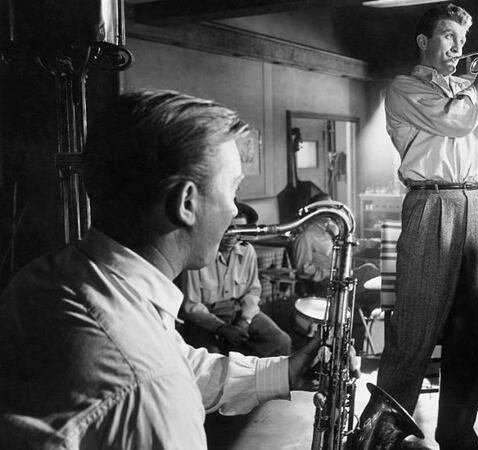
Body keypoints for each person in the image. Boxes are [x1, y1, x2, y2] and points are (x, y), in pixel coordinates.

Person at [0, 90, 319, 449]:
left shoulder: (52, 276)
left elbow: (179, 362)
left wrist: (284, 372)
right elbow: (157, 375)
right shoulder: (153, 390)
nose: (233, 211)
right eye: (233, 189)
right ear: (186, 203)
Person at [363, 4, 478, 449]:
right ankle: (381, 436)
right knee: (414, 327)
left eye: (462, 41)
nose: (458, 49)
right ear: (424, 42)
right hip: (431, 203)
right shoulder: (404, 87)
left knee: (476, 330)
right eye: (448, 38)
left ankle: (458, 433)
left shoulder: (471, 87)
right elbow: (456, 122)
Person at [179, 201, 292, 357]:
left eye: (239, 231)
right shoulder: (198, 255)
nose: (233, 237)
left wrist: (245, 320)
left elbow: (252, 292)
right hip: (205, 318)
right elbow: (191, 306)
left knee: (281, 342)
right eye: (228, 230)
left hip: (239, 311)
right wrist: (221, 327)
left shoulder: (247, 251)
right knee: (213, 356)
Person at [292, 193, 380, 354]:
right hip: (325, 285)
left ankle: (369, 320)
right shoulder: (307, 236)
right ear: (317, 211)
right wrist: (330, 273)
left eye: (332, 206)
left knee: (371, 272)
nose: (332, 210)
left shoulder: (333, 229)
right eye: (327, 207)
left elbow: (349, 249)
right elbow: (302, 268)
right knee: (369, 274)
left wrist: (369, 243)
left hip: (344, 278)